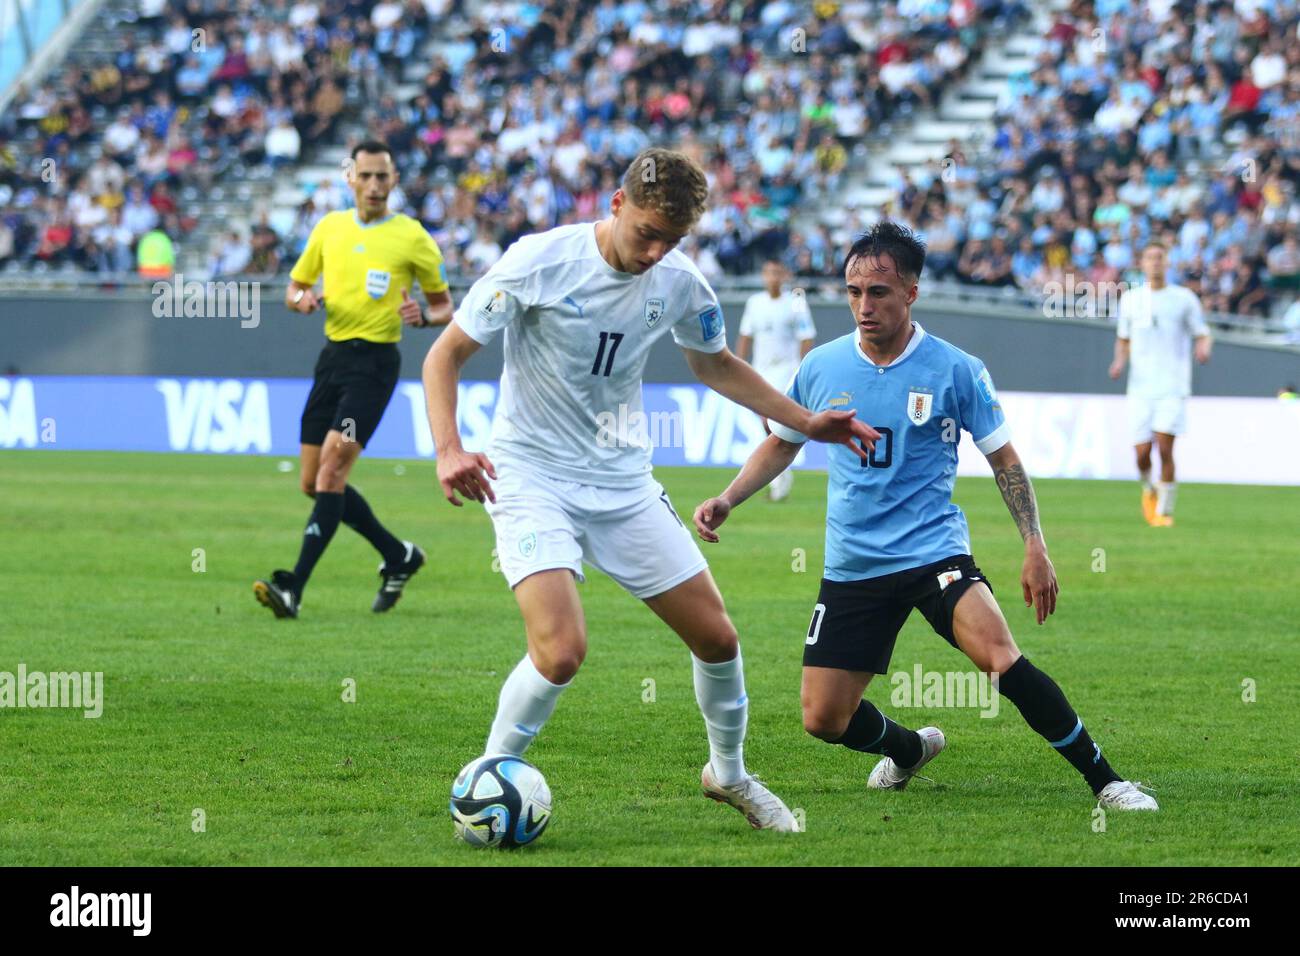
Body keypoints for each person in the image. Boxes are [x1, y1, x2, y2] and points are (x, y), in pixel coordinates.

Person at [422, 147, 879, 831]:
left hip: (623, 481)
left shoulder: (681, 283)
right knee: (561, 649)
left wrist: (808, 421)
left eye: (672, 240)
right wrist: (450, 448)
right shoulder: (539, 261)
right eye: (646, 233)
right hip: (530, 475)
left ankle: (728, 775)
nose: (655, 251)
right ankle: (488, 783)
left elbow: (718, 365)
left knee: (718, 639)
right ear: (615, 205)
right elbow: (444, 354)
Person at [693, 221, 1160, 812]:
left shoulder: (956, 369)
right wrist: (728, 498)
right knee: (823, 717)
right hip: (854, 563)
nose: (864, 306)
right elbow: (784, 443)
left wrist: (1034, 545)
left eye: (879, 292)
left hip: (933, 553)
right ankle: (909, 749)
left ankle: (1109, 784)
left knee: (1000, 657)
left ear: (911, 292)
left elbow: (1004, 460)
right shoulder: (822, 368)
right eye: (854, 292)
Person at [254, 141, 453, 618]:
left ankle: (293, 588)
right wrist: (300, 300)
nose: (374, 186)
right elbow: (295, 287)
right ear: (351, 180)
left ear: (394, 180)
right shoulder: (329, 228)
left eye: (382, 176)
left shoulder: (412, 237)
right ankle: (397, 554)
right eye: (365, 176)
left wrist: (422, 316)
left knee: (331, 472)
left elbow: (445, 306)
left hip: (375, 365)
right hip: (333, 361)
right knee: (313, 482)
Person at [1109, 242, 1212, 526]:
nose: (1155, 262)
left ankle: (1164, 512)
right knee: (1142, 453)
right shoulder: (1131, 300)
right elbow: (1124, 338)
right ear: (1141, 263)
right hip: (1140, 388)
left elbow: (1202, 333)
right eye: (1150, 258)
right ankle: (1148, 487)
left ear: (1168, 262)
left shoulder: (1184, 298)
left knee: (1165, 448)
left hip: (1172, 387)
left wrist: (1203, 347)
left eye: (1160, 257)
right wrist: (1119, 362)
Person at [735, 259, 817, 501]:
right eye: (768, 272)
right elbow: (745, 336)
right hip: (761, 371)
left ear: (784, 275)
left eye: (777, 273)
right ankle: (780, 478)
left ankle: (778, 482)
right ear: (763, 275)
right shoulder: (754, 303)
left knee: (771, 425)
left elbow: (807, 337)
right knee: (768, 427)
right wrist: (738, 366)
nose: (772, 278)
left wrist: (801, 371)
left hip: (785, 370)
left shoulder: (796, 301)